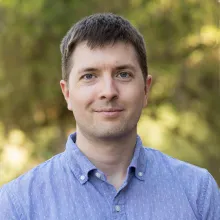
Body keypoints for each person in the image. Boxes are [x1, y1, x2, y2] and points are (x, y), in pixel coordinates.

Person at [0, 13, 219, 220]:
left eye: (123, 74)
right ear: (67, 93)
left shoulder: (198, 191)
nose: (108, 91)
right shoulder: (19, 204)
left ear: (146, 90)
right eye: (89, 76)